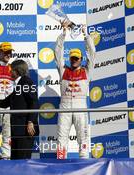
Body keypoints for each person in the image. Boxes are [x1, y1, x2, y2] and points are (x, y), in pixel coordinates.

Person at [55, 21, 96, 159]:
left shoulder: (86, 71)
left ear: (81, 59)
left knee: (83, 139)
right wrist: (64, 33)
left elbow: (92, 53)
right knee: (61, 139)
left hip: (80, 107)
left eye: (76, 58)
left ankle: (84, 164)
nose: (74, 60)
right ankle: (60, 165)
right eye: (72, 58)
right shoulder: (63, 70)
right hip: (64, 107)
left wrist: (86, 34)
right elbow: (58, 53)